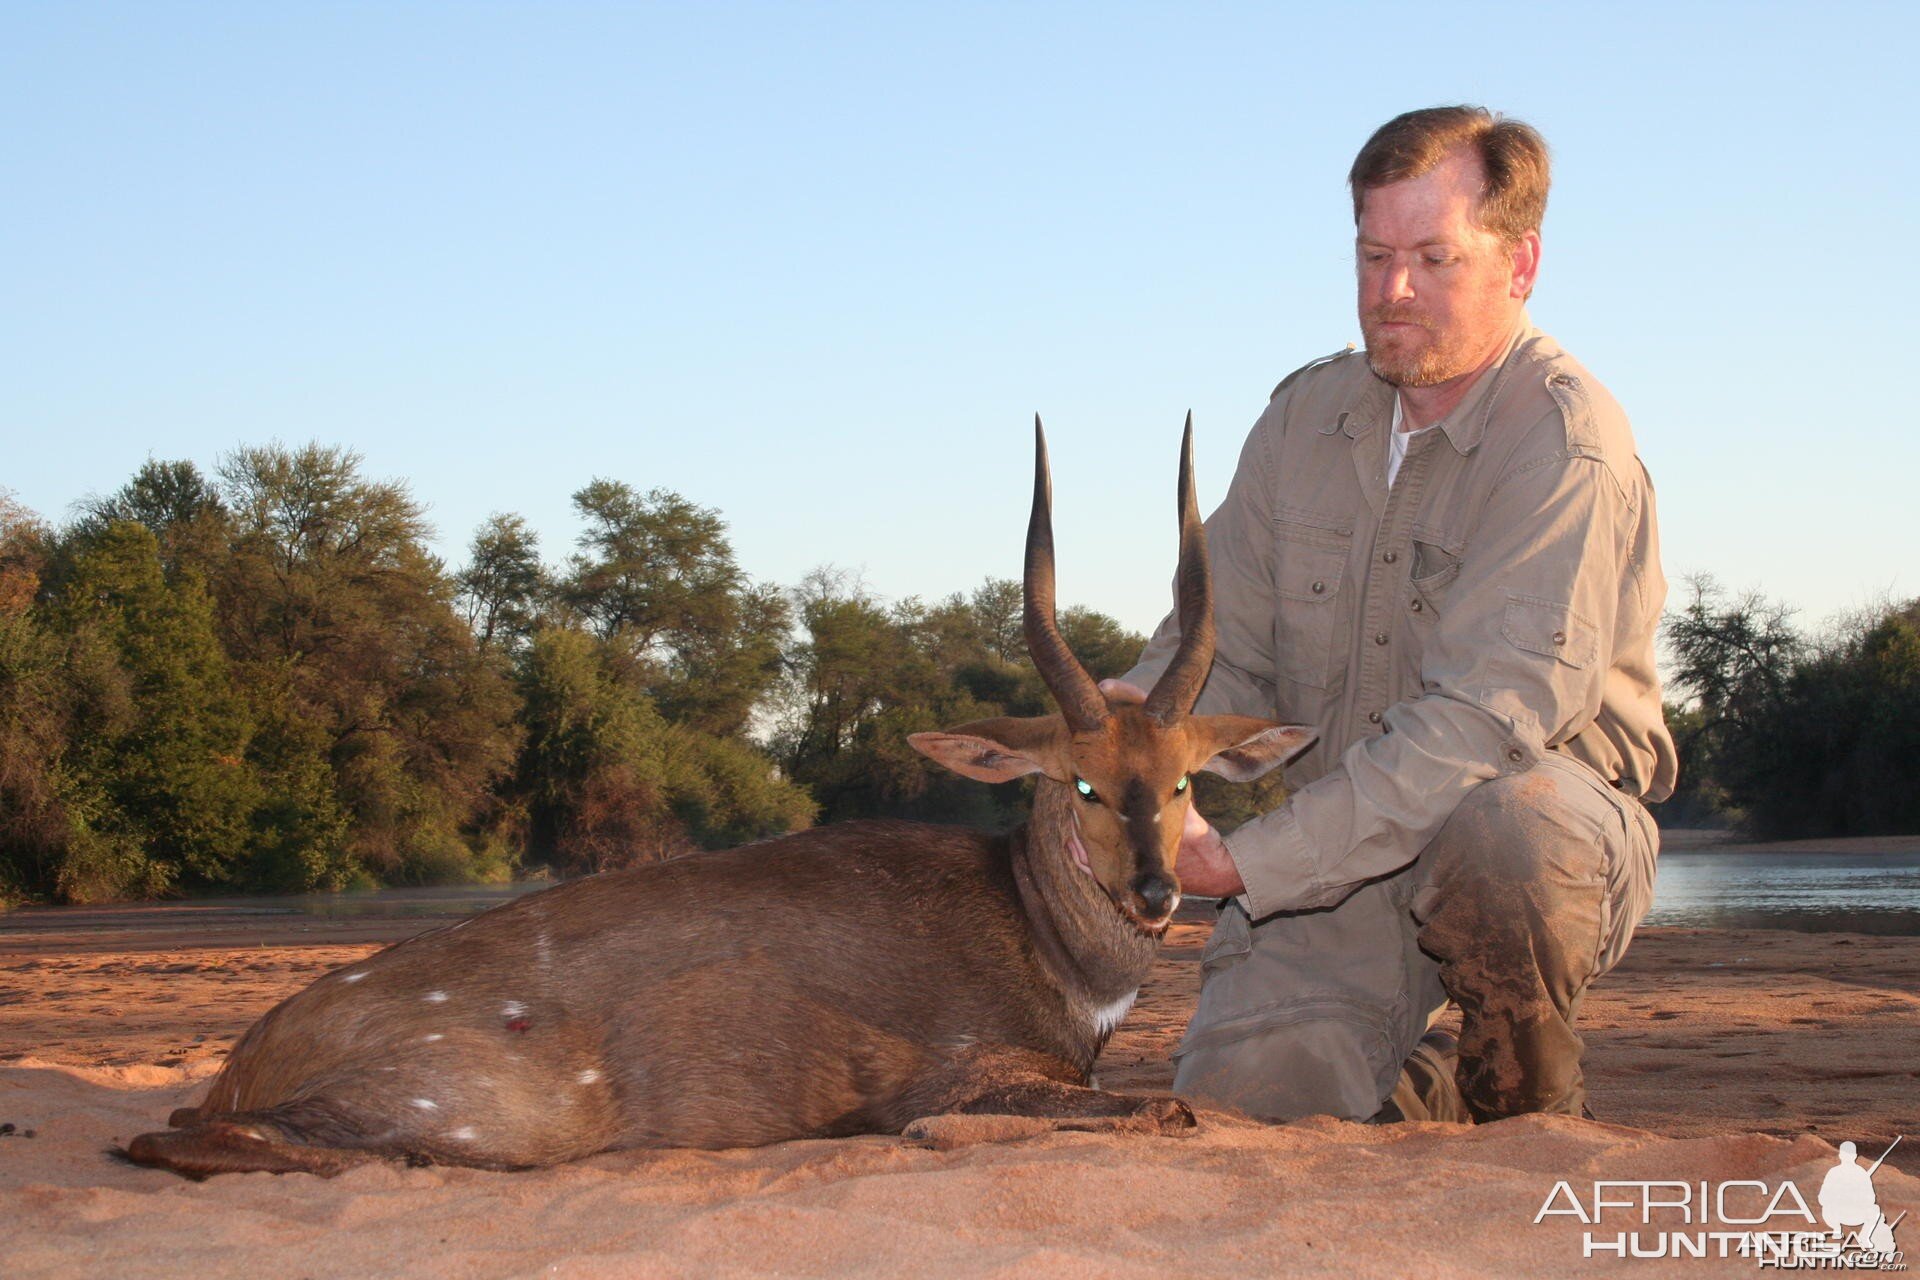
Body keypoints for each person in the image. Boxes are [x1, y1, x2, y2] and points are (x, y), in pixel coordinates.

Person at [1107, 105, 1677, 1124]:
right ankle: (1423, 1100)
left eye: (1432, 257)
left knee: (1507, 831)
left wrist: (1247, 860)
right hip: (1341, 852)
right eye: (1373, 255)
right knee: (1244, 1116)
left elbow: (1481, 727)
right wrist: (1132, 728)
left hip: (1530, 828)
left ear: (1522, 261)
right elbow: (1217, 650)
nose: (1392, 292)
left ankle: (1529, 1113)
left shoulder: (1566, 439)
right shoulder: (1302, 418)